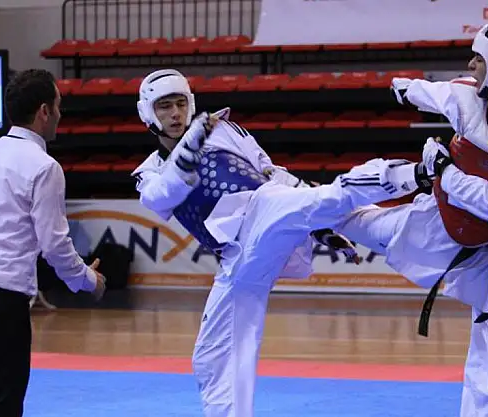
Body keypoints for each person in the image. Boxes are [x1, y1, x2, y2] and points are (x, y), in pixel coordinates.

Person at [131, 69, 431, 417]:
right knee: (213, 355)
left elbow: (270, 171)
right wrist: (189, 147)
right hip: (237, 258)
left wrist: (318, 230)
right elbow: (160, 196)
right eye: (164, 106)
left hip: (263, 207)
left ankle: (416, 173)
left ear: (191, 104)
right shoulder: (149, 172)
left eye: (180, 104)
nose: (175, 114)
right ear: (147, 112)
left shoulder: (224, 130)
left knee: (329, 199)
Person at [335, 21, 488, 417]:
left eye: (478, 59)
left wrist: (446, 171)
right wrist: (400, 87)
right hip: (438, 223)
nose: (470, 65)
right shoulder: (466, 97)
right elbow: (421, 90)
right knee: (349, 219)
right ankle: (299, 201)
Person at [0, 69, 107, 417]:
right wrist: (88, 280)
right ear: (44, 111)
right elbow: (54, 244)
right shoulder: (44, 167)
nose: (60, 114)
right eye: (58, 105)